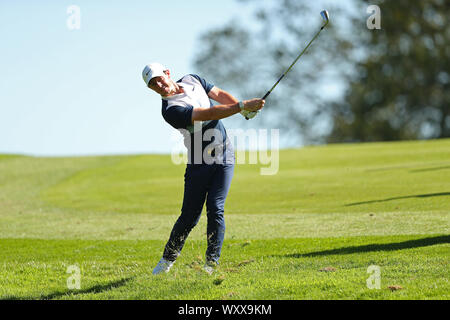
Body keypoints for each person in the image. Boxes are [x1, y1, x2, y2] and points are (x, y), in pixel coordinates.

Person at [142, 62, 264, 275]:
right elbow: (209, 114)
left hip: (224, 156)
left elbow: (219, 94)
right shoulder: (170, 110)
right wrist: (242, 106)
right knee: (189, 217)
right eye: (153, 85)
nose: (159, 85)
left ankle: (211, 263)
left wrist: (243, 110)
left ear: (168, 73)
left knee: (216, 208)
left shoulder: (192, 79)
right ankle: (166, 261)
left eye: (159, 78)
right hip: (199, 164)